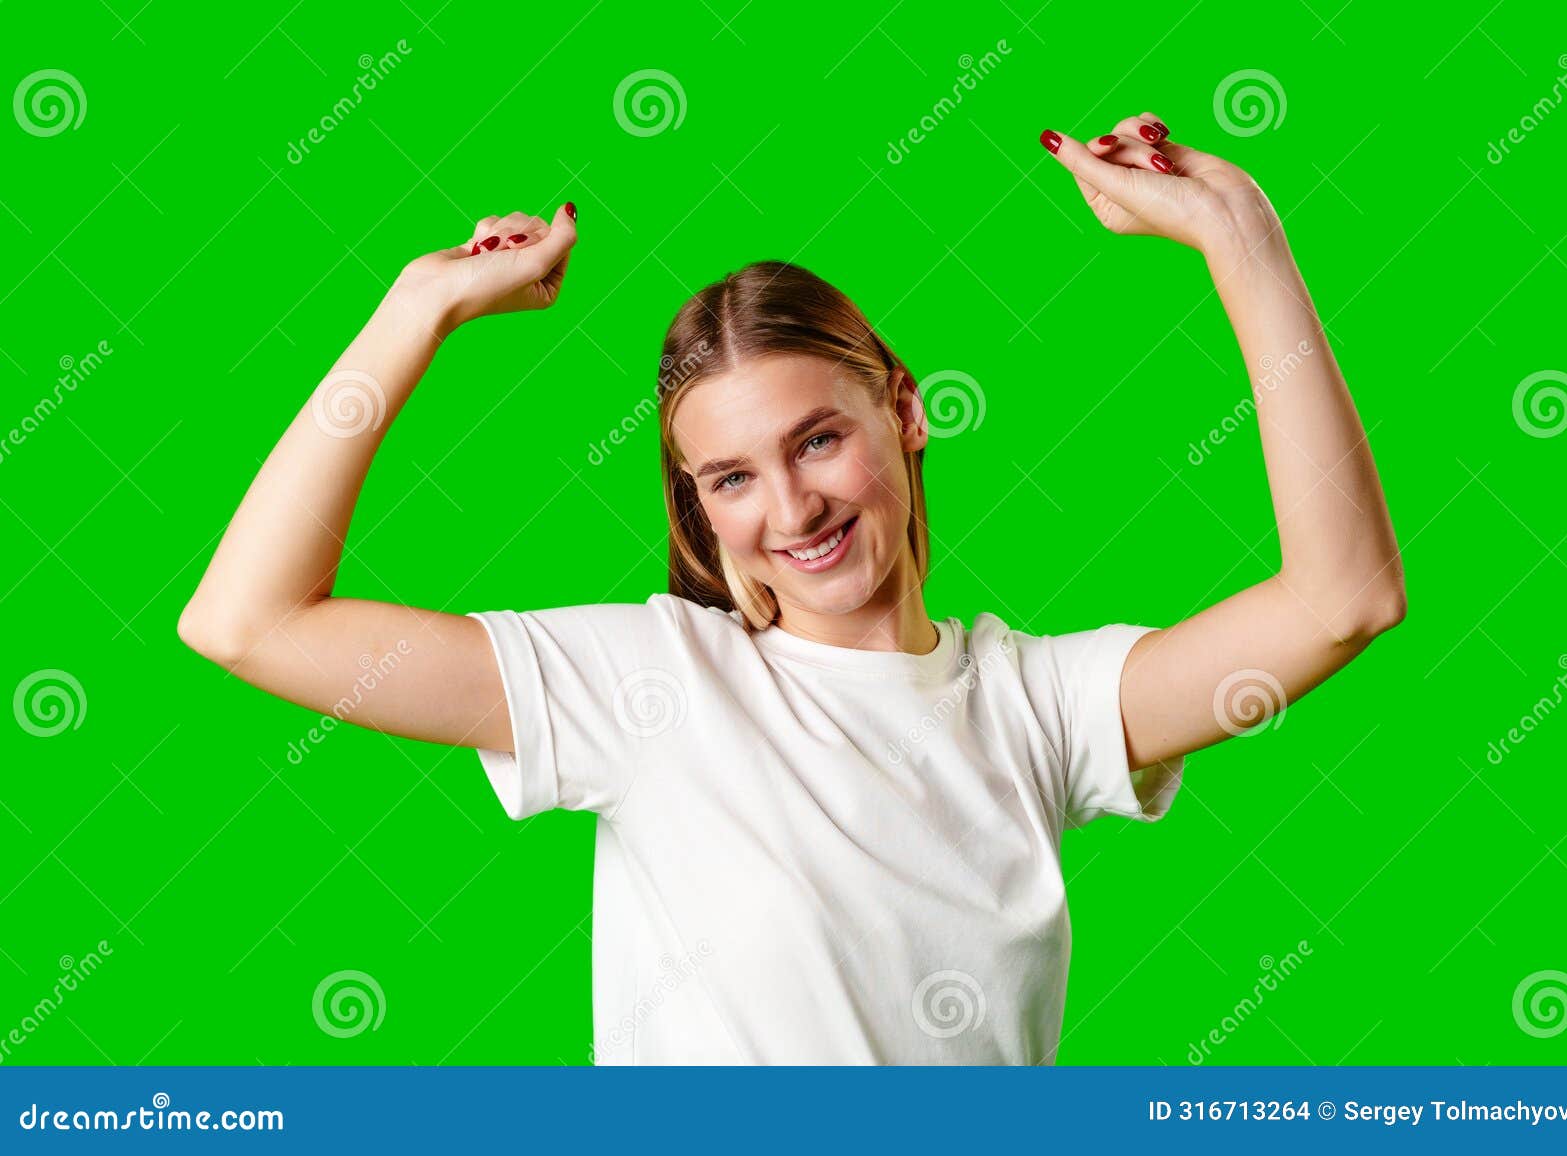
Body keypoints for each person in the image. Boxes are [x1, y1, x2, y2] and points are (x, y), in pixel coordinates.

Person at [178, 111, 1405, 1065]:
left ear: (907, 410)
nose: (791, 508)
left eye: (818, 440)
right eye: (730, 476)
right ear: (699, 507)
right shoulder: (649, 683)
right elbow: (248, 621)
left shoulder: (1041, 704)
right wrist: (421, 305)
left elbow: (1341, 598)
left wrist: (1244, 242)